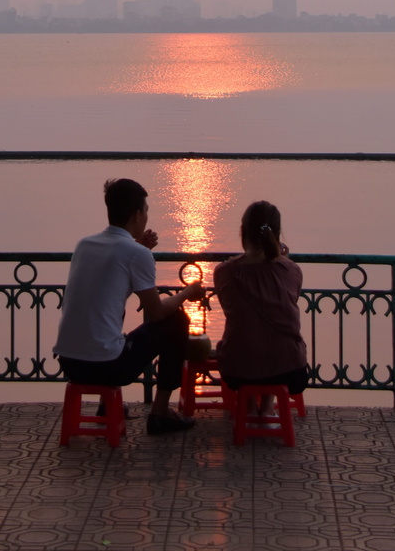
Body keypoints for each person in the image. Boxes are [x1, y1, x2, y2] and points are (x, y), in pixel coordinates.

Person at [54, 177, 207, 434]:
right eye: (146, 211)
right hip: (108, 367)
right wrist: (187, 293)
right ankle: (160, 414)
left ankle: (107, 405)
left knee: (105, 318)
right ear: (137, 214)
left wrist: (139, 248)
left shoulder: (84, 245)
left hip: (70, 363)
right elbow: (156, 312)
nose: (147, 217)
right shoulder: (137, 254)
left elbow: (108, 282)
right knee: (176, 321)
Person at [213, 200, 308, 415]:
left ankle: (248, 407)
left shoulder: (224, 272)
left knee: (250, 337)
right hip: (289, 368)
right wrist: (284, 260)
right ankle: (267, 407)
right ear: (277, 233)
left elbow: (235, 309)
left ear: (242, 232)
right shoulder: (291, 270)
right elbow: (285, 303)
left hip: (238, 369)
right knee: (272, 342)